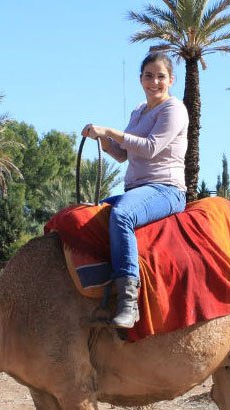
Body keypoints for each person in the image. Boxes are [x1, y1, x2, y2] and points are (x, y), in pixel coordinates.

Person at [81, 52, 189, 329]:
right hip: (136, 189)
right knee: (88, 214)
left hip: (165, 189)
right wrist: (102, 138)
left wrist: (111, 131)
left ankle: (129, 301)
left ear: (171, 80)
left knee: (122, 216)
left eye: (160, 76)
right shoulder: (139, 111)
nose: (154, 82)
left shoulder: (173, 109)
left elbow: (151, 147)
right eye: (149, 76)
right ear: (140, 79)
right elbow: (121, 155)